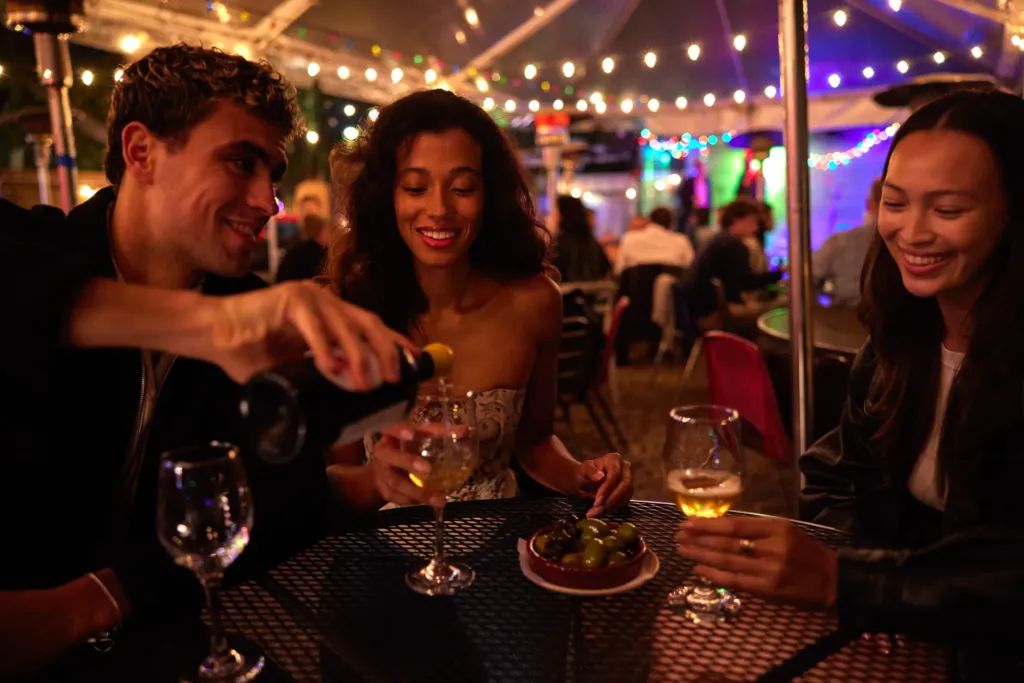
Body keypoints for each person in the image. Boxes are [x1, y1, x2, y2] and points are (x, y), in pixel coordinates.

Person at [0, 44, 409, 680]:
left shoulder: (248, 312)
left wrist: (370, 478)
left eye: (272, 172)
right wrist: (209, 329)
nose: (268, 200)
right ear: (141, 153)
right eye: (240, 162)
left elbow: (260, 509)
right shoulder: (42, 255)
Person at [675, 90, 1024, 678]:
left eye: (948, 209)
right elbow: (837, 480)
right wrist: (873, 592)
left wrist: (859, 584)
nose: (911, 232)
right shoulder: (895, 348)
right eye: (895, 202)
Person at [325, 89, 633, 514]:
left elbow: (535, 443)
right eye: (415, 187)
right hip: (387, 549)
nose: (439, 209)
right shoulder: (350, 308)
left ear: (489, 194)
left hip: (498, 544)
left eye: (462, 188)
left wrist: (582, 475)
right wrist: (381, 480)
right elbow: (336, 480)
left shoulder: (535, 302)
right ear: (386, 196)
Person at [686, 200, 785, 335]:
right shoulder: (734, 245)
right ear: (736, 220)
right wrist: (779, 273)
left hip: (699, 310)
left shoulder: (719, 239)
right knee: (785, 305)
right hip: (720, 313)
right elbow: (746, 283)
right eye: (752, 222)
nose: (756, 228)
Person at [812, 177, 882, 306]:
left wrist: (818, 316)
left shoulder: (839, 242)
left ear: (868, 203)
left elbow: (806, 279)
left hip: (842, 322)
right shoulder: (908, 245)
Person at [614, 206, 695, 274]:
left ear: (649, 221)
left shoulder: (629, 238)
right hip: (670, 292)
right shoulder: (681, 241)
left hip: (635, 291)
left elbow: (619, 270)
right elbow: (691, 270)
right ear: (671, 224)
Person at [552, 194, 611, 283]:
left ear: (562, 215)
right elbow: (605, 269)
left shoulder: (559, 242)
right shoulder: (591, 241)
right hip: (593, 294)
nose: (553, 216)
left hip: (566, 294)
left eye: (556, 211)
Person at [276, 213, 331, 282]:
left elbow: (280, 276)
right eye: (326, 230)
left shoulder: (294, 251)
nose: (328, 234)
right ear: (321, 231)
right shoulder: (323, 254)